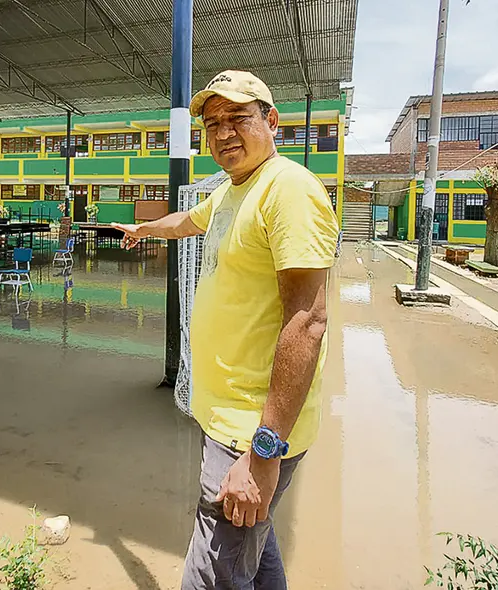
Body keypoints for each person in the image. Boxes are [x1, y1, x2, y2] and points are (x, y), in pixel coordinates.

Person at [112, 70, 339, 589]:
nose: (223, 132)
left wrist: (262, 453)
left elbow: (308, 322)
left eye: (238, 117)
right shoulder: (235, 191)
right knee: (256, 557)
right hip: (227, 420)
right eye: (212, 124)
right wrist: (143, 228)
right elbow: (187, 221)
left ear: (271, 120)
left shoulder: (289, 191)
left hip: (251, 432)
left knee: (210, 575)